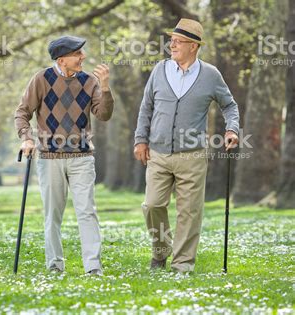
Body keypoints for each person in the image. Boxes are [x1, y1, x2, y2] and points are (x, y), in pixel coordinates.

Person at [134, 19, 239, 273]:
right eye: (172, 40)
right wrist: (140, 139)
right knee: (152, 205)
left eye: (178, 41)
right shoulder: (159, 70)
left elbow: (229, 105)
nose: (172, 45)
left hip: (192, 155)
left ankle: (182, 264)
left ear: (193, 46)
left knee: (189, 212)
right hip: (158, 153)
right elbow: (146, 106)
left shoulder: (211, 75)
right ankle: (161, 251)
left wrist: (232, 128)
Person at [14, 35, 114, 275]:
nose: (83, 57)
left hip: (82, 157)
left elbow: (104, 114)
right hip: (50, 157)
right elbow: (22, 112)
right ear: (62, 59)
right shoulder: (42, 79)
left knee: (87, 211)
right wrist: (26, 137)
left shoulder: (90, 81)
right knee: (53, 214)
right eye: (78, 53)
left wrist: (106, 88)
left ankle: (93, 266)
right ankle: (55, 265)